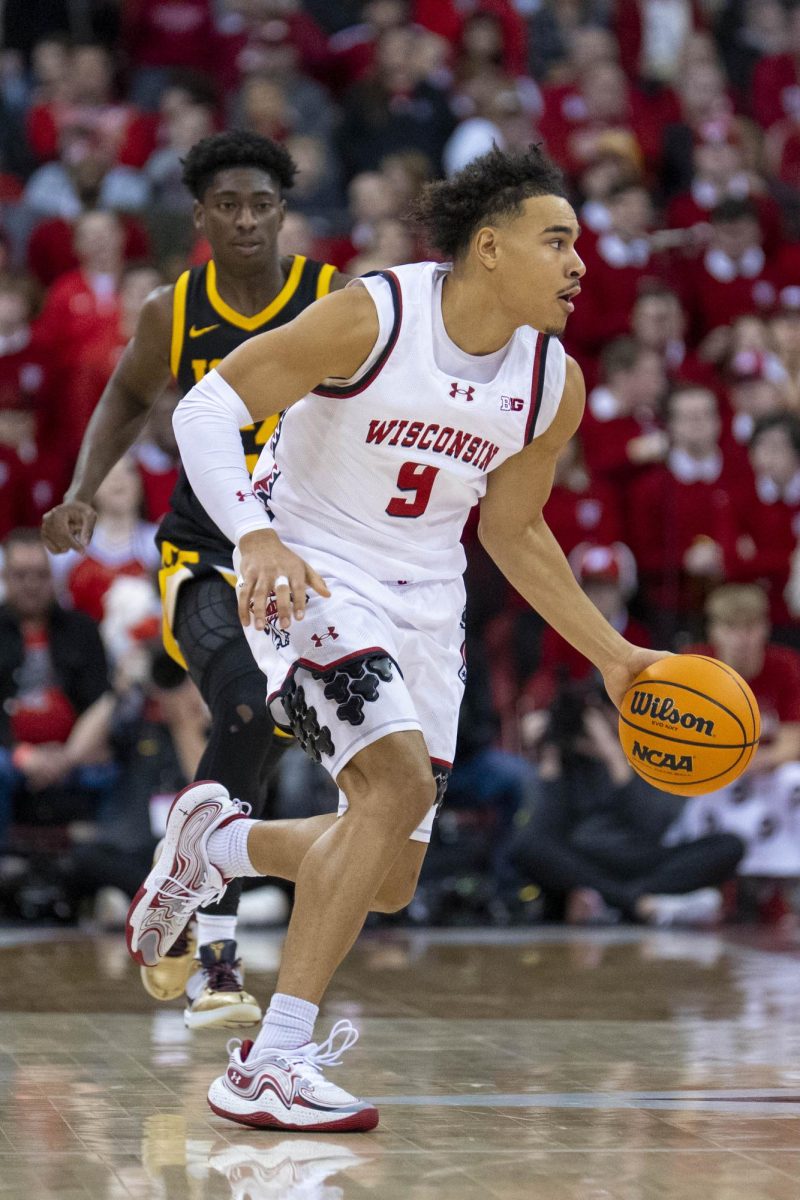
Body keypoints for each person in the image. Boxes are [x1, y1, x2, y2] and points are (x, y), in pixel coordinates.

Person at [125, 143, 668, 1131]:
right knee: (395, 786)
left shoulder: (551, 381)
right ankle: (267, 1062)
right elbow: (207, 406)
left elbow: (512, 532)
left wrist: (617, 657)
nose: (579, 263)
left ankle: (221, 844)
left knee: (388, 874)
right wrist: (251, 534)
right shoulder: (377, 316)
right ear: (490, 249)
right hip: (313, 571)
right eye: (558, 241)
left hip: (426, 599)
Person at [41, 131, 346, 1029]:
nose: (247, 219)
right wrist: (81, 491)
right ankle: (216, 958)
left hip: (305, 558)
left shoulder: (333, 300)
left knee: (286, 735)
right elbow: (129, 396)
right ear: (202, 215)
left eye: (262, 204)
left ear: (283, 211)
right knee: (246, 707)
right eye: (229, 205)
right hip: (204, 554)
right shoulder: (172, 310)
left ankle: (178, 884)